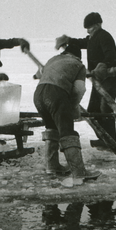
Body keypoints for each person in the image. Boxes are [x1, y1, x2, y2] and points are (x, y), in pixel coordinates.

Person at [33, 43, 101, 187]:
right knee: (67, 131)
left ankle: (52, 166)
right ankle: (79, 172)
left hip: (38, 94)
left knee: (51, 127)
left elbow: (40, 74)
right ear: (78, 56)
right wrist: (73, 106)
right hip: (56, 94)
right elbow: (79, 89)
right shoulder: (78, 65)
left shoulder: (53, 59)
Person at [55, 12, 116, 149]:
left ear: (97, 25)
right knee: (93, 109)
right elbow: (83, 42)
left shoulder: (104, 36)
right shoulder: (93, 37)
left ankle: (110, 141)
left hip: (110, 79)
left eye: (90, 27)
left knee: (105, 109)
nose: (88, 30)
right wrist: (68, 40)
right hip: (99, 79)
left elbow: (111, 55)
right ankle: (104, 138)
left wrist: (103, 64)